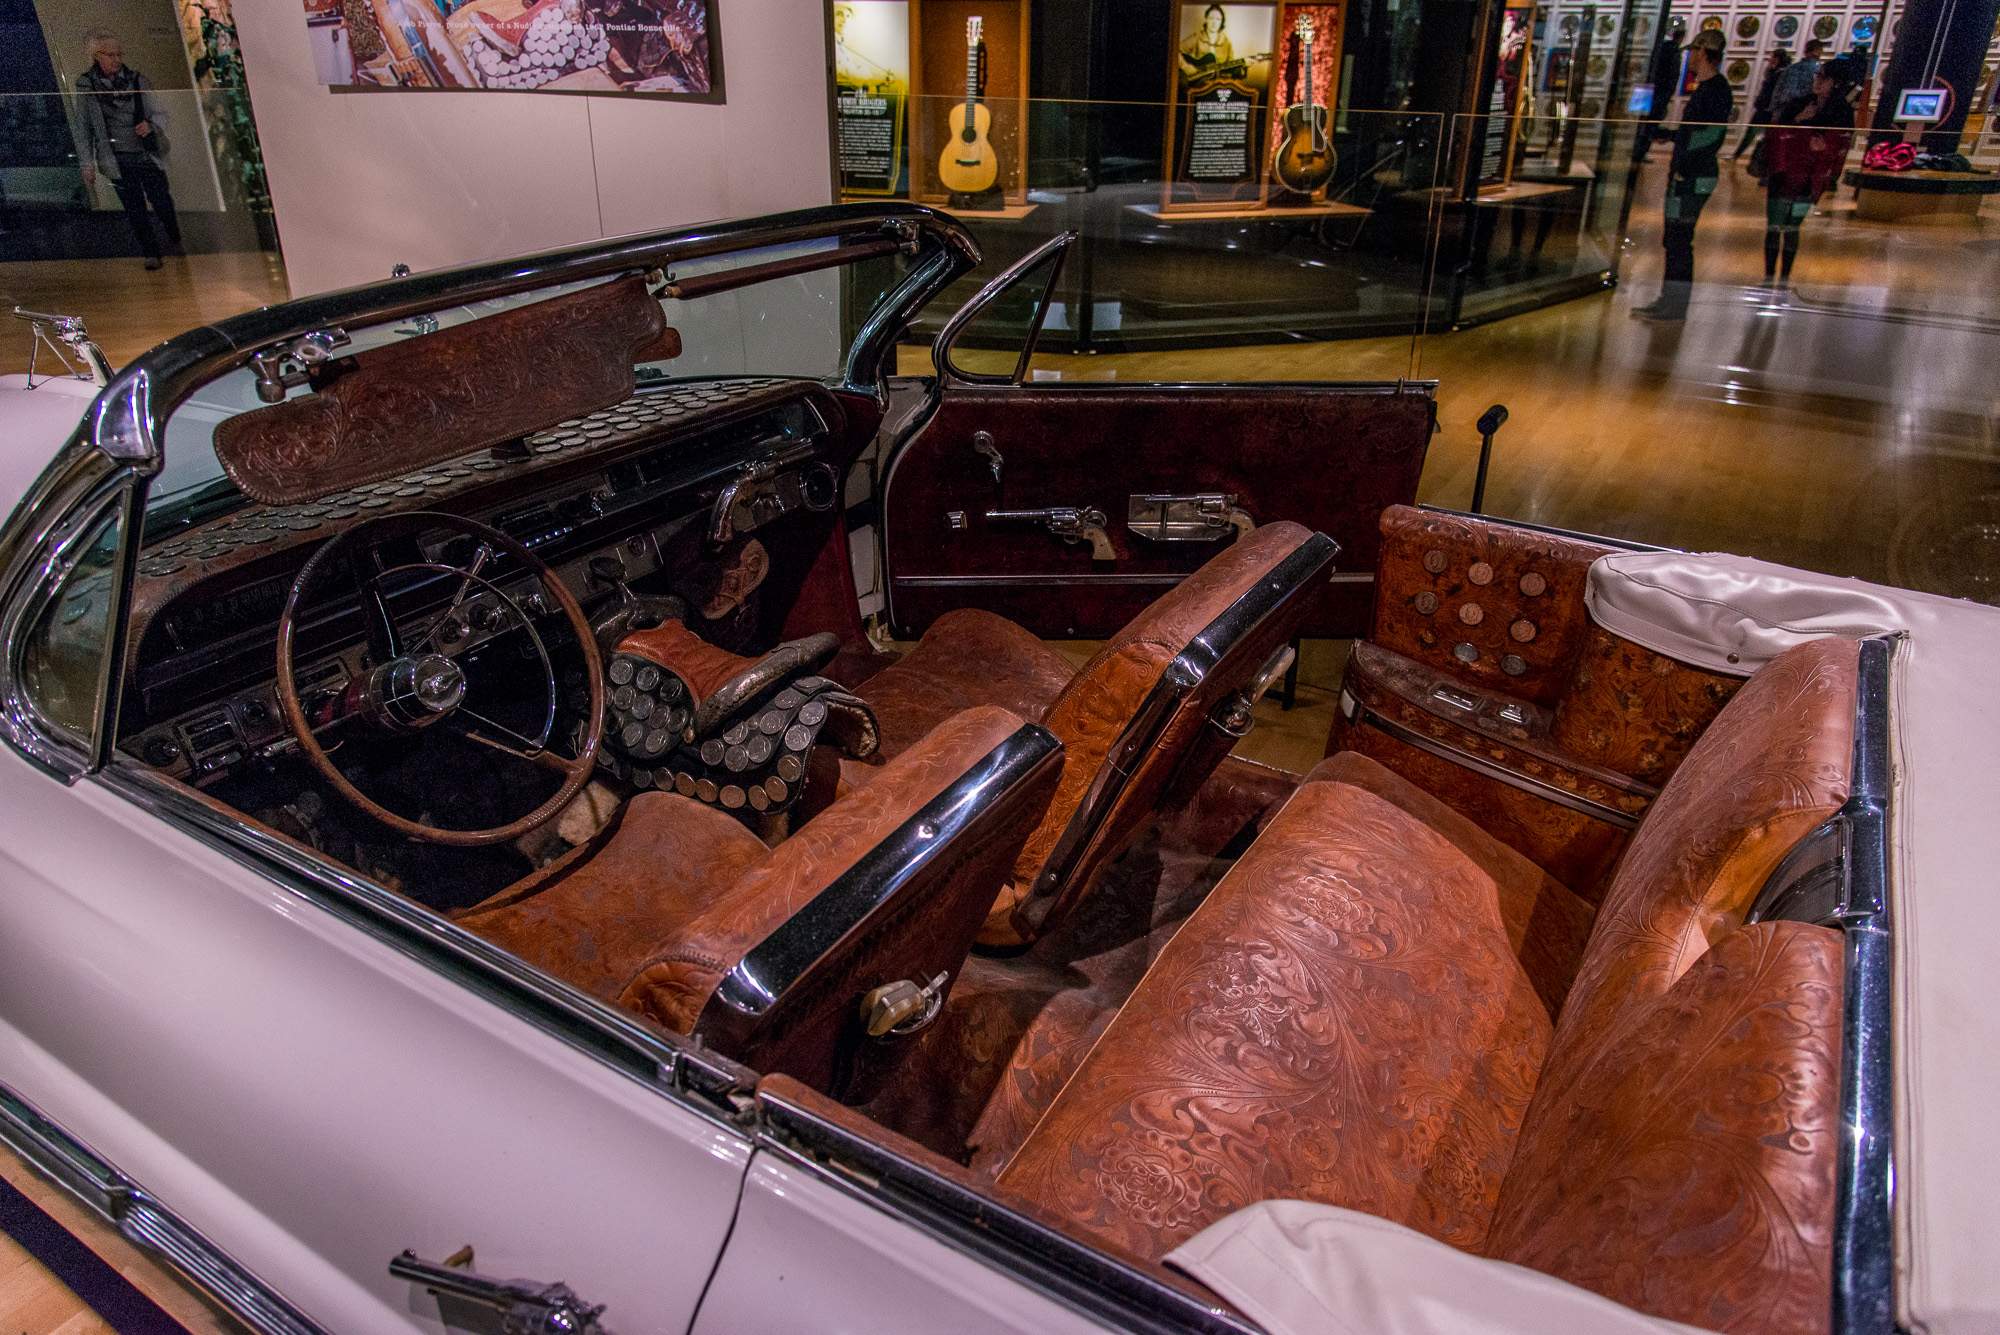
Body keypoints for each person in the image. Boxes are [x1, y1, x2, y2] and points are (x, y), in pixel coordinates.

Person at [1633, 28, 1731, 322]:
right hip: (1687, 175)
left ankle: (1675, 306)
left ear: (1702, 52)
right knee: (1674, 239)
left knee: (1679, 239)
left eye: (1693, 52)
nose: (1689, 57)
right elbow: (1696, 135)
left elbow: (1711, 136)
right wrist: (1672, 136)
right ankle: (1669, 300)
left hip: (1692, 178)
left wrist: (1682, 167)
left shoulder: (1717, 90)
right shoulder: (1709, 88)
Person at [72, 29, 182, 271]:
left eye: (118, 54)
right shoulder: (87, 85)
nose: (115, 59)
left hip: (146, 154)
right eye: (109, 54)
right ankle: (151, 252)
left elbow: (160, 113)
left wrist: (151, 126)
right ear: (95, 56)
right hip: (117, 158)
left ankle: (175, 239)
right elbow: (83, 127)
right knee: (135, 209)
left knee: (162, 201)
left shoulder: (136, 79)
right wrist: (87, 164)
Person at [1762, 57, 1858, 286]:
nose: (1817, 81)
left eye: (1822, 77)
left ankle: (1784, 278)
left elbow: (1840, 144)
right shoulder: (1800, 103)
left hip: (1808, 177)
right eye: (1818, 76)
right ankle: (1768, 278)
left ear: (1835, 82)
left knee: (1792, 227)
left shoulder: (1842, 111)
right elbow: (1778, 132)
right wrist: (1798, 120)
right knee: (1775, 226)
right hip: (1784, 173)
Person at [1634, 18, 1685, 161]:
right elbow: (1670, 79)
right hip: (1657, 95)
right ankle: (1640, 152)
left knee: (1642, 125)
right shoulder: (1672, 51)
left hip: (1646, 93)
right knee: (1648, 125)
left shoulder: (1659, 48)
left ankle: (1638, 151)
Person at [1733, 48, 1791, 159]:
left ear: (1777, 59)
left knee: (1754, 134)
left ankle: (1748, 157)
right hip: (1764, 109)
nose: (1769, 60)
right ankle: (1740, 155)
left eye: (1772, 57)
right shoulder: (1775, 73)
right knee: (1752, 134)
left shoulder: (1780, 75)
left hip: (1767, 111)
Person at [1179, 5, 1234, 81]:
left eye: (1218, 19)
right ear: (1206, 19)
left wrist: (1244, 64)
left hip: (1217, 83)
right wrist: (1185, 66)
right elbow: (1175, 50)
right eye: (1211, 18)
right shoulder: (1197, 38)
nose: (1214, 22)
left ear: (1221, 22)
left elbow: (1231, 67)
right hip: (1196, 83)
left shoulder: (1226, 43)